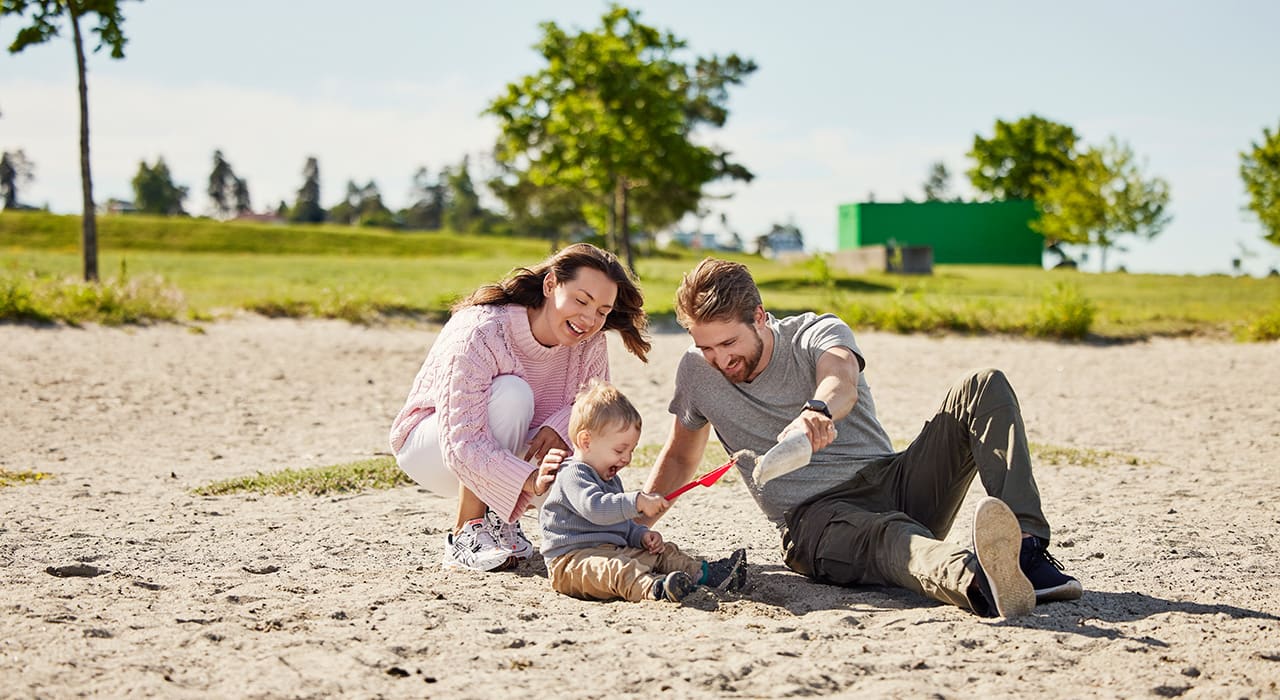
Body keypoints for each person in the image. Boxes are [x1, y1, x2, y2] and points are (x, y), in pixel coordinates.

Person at [641, 257, 1082, 618]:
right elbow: (681, 456)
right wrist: (634, 524)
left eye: (728, 343)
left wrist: (817, 412)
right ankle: (979, 579)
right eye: (706, 347)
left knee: (984, 384)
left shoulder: (815, 332)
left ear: (759, 317)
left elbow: (841, 379)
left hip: (892, 483)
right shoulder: (696, 372)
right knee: (893, 540)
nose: (719, 359)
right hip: (816, 521)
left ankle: (1025, 551)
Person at [389, 243, 650, 573]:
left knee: (589, 450)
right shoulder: (482, 331)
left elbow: (598, 411)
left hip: (511, 452)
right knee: (512, 394)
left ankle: (502, 521)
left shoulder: (590, 343)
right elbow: (463, 441)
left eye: (602, 311)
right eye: (581, 301)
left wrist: (559, 425)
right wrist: (528, 481)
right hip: (433, 451)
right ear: (551, 285)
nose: (588, 319)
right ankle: (466, 533)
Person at [539, 380, 748, 602]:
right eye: (620, 449)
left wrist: (641, 536)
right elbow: (595, 508)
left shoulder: (610, 479)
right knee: (618, 570)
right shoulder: (572, 474)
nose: (627, 458)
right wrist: (636, 501)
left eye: (631, 450)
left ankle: (705, 574)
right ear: (586, 441)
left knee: (662, 552)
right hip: (573, 563)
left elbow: (620, 525)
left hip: (611, 550)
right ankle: (656, 589)